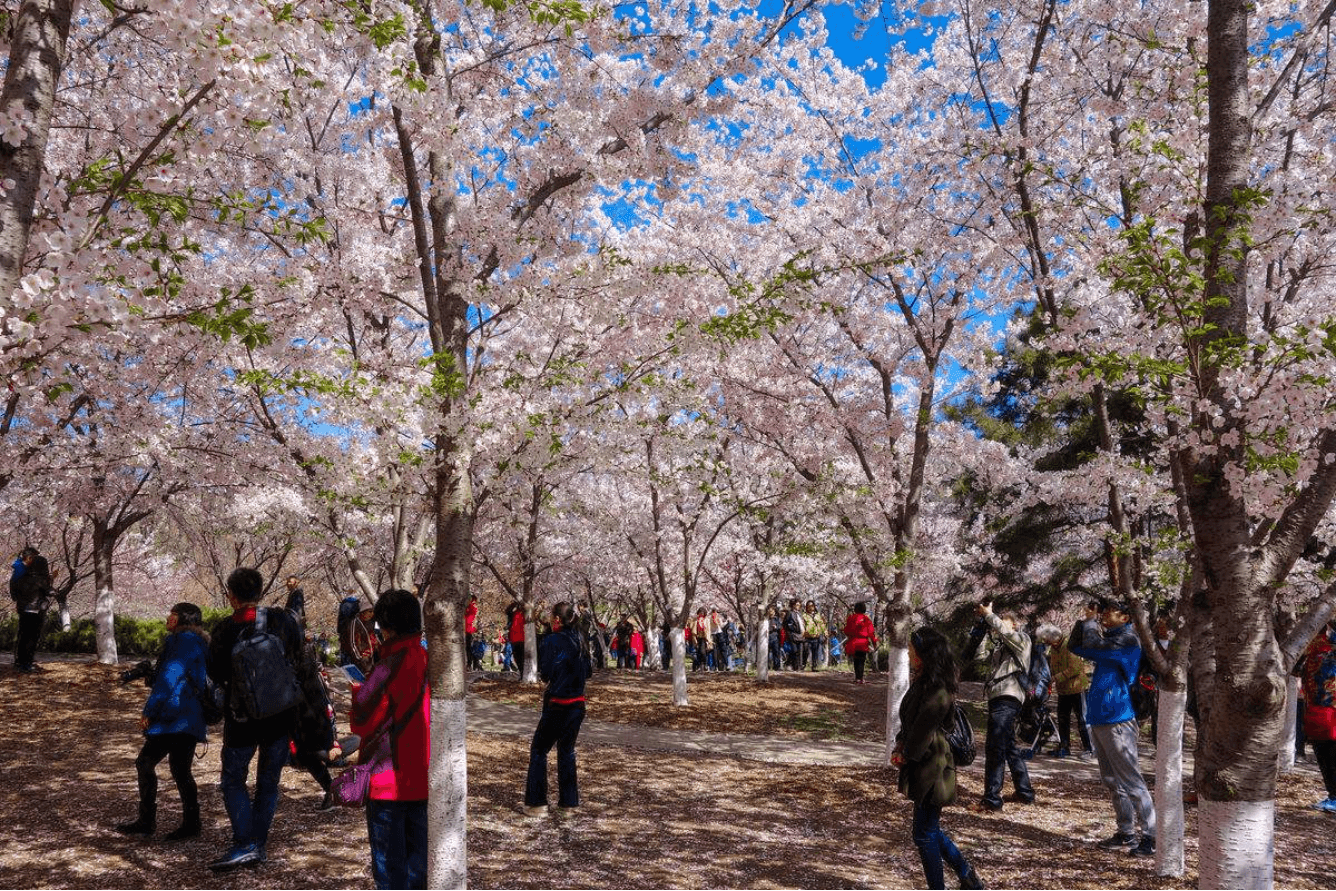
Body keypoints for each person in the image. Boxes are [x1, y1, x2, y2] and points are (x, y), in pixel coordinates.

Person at [207, 567, 315, 871]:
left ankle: (246, 844)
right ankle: (258, 844)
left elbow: (215, 673)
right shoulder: (281, 620)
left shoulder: (225, 629)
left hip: (241, 717)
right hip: (281, 714)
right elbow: (297, 652)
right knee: (268, 782)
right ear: (260, 590)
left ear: (231, 595)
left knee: (232, 779)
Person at [350, 589, 431, 889]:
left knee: (389, 866)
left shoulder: (388, 664)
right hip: (422, 774)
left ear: (386, 627)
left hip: (388, 779)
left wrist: (359, 690)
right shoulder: (426, 658)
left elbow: (362, 719)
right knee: (418, 864)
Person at [893, 627, 983, 891]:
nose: (909, 652)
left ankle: (948, 883)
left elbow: (922, 729)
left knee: (924, 833)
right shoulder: (924, 681)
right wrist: (901, 744)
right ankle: (967, 876)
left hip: (934, 768)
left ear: (924, 654)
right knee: (927, 830)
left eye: (912, 648)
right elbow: (910, 721)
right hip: (924, 763)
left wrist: (906, 754)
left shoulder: (939, 688)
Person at [1069, 597, 1156, 857]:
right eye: (1103, 611)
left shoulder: (1127, 640)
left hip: (1118, 719)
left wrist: (1091, 622)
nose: (1105, 614)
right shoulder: (1109, 641)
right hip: (1101, 718)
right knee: (1112, 781)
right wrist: (1084, 621)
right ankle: (1126, 832)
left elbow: (1093, 644)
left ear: (1127, 618)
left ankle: (1151, 836)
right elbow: (1076, 646)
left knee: (1131, 780)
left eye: (1111, 611)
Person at [115, 602, 210, 840]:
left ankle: (157, 822)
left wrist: (149, 711)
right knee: (176, 769)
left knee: (151, 764)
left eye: (173, 614)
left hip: (176, 714)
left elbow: (170, 678)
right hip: (186, 715)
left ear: (182, 619)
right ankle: (185, 823)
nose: (168, 618)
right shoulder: (194, 641)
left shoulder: (183, 640)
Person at [965, 600, 1035, 811]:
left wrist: (990, 616)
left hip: (1009, 696)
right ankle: (1025, 792)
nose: (997, 626)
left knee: (994, 747)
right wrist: (985, 631)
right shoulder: (1000, 648)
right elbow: (978, 656)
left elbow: (1006, 633)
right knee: (1009, 746)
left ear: (1014, 624)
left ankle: (992, 800)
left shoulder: (1023, 640)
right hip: (997, 696)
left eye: (1002, 622)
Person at [524, 601, 592, 817]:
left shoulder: (551, 640)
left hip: (557, 704)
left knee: (539, 750)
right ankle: (568, 805)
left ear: (556, 619)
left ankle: (537, 804)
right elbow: (588, 671)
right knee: (567, 751)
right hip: (578, 704)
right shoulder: (580, 639)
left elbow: (545, 673)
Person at [1293, 623, 1336, 810]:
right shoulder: (1308, 645)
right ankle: (1333, 795)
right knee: (1322, 750)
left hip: (1331, 706)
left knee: (1331, 750)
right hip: (1314, 705)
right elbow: (1294, 667)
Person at [1047, 623, 1093, 759]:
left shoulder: (1069, 645)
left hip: (1078, 688)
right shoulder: (1054, 648)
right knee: (1063, 719)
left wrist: (1056, 677)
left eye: (1047, 640)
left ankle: (1089, 748)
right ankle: (1065, 746)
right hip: (1063, 689)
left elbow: (1075, 668)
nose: (1045, 642)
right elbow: (1054, 665)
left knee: (1082, 719)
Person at [10, 546, 53, 673]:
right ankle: (27, 663)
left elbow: (14, 594)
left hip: (23, 608)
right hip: (36, 609)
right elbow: (48, 590)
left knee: (23, 634)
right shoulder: (40, 577)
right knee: (32, 636)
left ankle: (19, 661)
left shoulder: (18, 575)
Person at [844, 602, 878, 684]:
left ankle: (857, 678)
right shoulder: (866, 619)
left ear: (855, 609)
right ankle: (861, 678)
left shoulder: (851, 618)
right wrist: (874, 643)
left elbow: (846, 630)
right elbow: (871, 632)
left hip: (853, 642)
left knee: (856, 660)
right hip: (863, 642)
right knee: (862, 660)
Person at [783, 598, 806, 671]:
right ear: (793, 605)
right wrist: (791, 629)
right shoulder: (790, 613)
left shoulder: (800, 613)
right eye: (796, 605)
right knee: (794, 651)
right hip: (793, 635)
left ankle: (799, 667)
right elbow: (785, 624)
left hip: (801, 635)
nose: (798, 606)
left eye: (799, 605)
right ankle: (793, 666)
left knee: (800, 651)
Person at [804, 600, 827, 670]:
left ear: (814, 607)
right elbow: (803, 625)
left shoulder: (818, 615)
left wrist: (825, 633)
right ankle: (803, 665)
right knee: (806, 651)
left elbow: (822, 624)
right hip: (807, 636)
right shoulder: (804, 615)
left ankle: (814, 666)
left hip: (816, 636)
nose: (810, 608)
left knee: (815, 652)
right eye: (808, 606)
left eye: (811, 606)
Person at [507, 600, 527, 677]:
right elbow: (507, 611)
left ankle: (523, 674)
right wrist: (514, 604)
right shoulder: (514, 613)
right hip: (515, 638)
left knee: (521, 658)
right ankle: (521, 673)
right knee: (517, 657)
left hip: (522, 638)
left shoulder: (525, 614)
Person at [465, 594, 482, 671]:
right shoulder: (474, 607)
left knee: (469, 648)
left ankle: (470, 664)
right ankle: (475, 664)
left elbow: (467, 616)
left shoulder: (471, 606)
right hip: (472, 630)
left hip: (469, 630)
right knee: (473, 648)